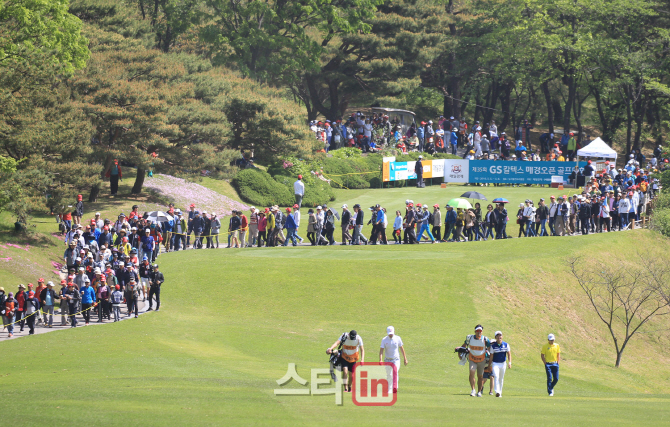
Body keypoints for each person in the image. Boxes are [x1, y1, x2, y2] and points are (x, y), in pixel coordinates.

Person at [463, 324, 491, 397]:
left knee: (480, 376)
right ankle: (473, 390)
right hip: (472, 359)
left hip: (482, 360)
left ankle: (479, 391)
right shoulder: (470, 338)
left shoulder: (485, 339)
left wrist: (490, 357)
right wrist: (461, 353)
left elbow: (490, 348)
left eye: (480, 331)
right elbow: (464, 346)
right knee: (472, 372)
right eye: (477, 331)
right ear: (475, 331)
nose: (479, 332)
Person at [379, 326, 408, 394]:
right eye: (389, 333)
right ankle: (389, 388)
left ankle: (395, 387)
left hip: (396, 359)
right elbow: (381, 350)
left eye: (392, 333)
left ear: (394, 332)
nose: (391, 334)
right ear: (387, 332)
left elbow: (401, 348)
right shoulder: (384, 340)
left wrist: (405, 358)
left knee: (395, 371)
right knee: (389, 374)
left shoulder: (398, 338)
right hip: (387, 360)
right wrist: (380, 359)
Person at [489, 331, 511, 397]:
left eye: (500, 336)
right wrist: (489, 365)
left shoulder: (506, 345)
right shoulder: (493, 346)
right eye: (497, 336)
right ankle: (497, 391)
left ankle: (500, 393)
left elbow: (509, 354)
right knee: (496, 376)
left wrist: (509, 363)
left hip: (503, 364)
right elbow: (491, 356)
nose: (499, 337)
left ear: (502, 337)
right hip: (495, 363)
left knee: (501, 378)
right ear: (495, 337)